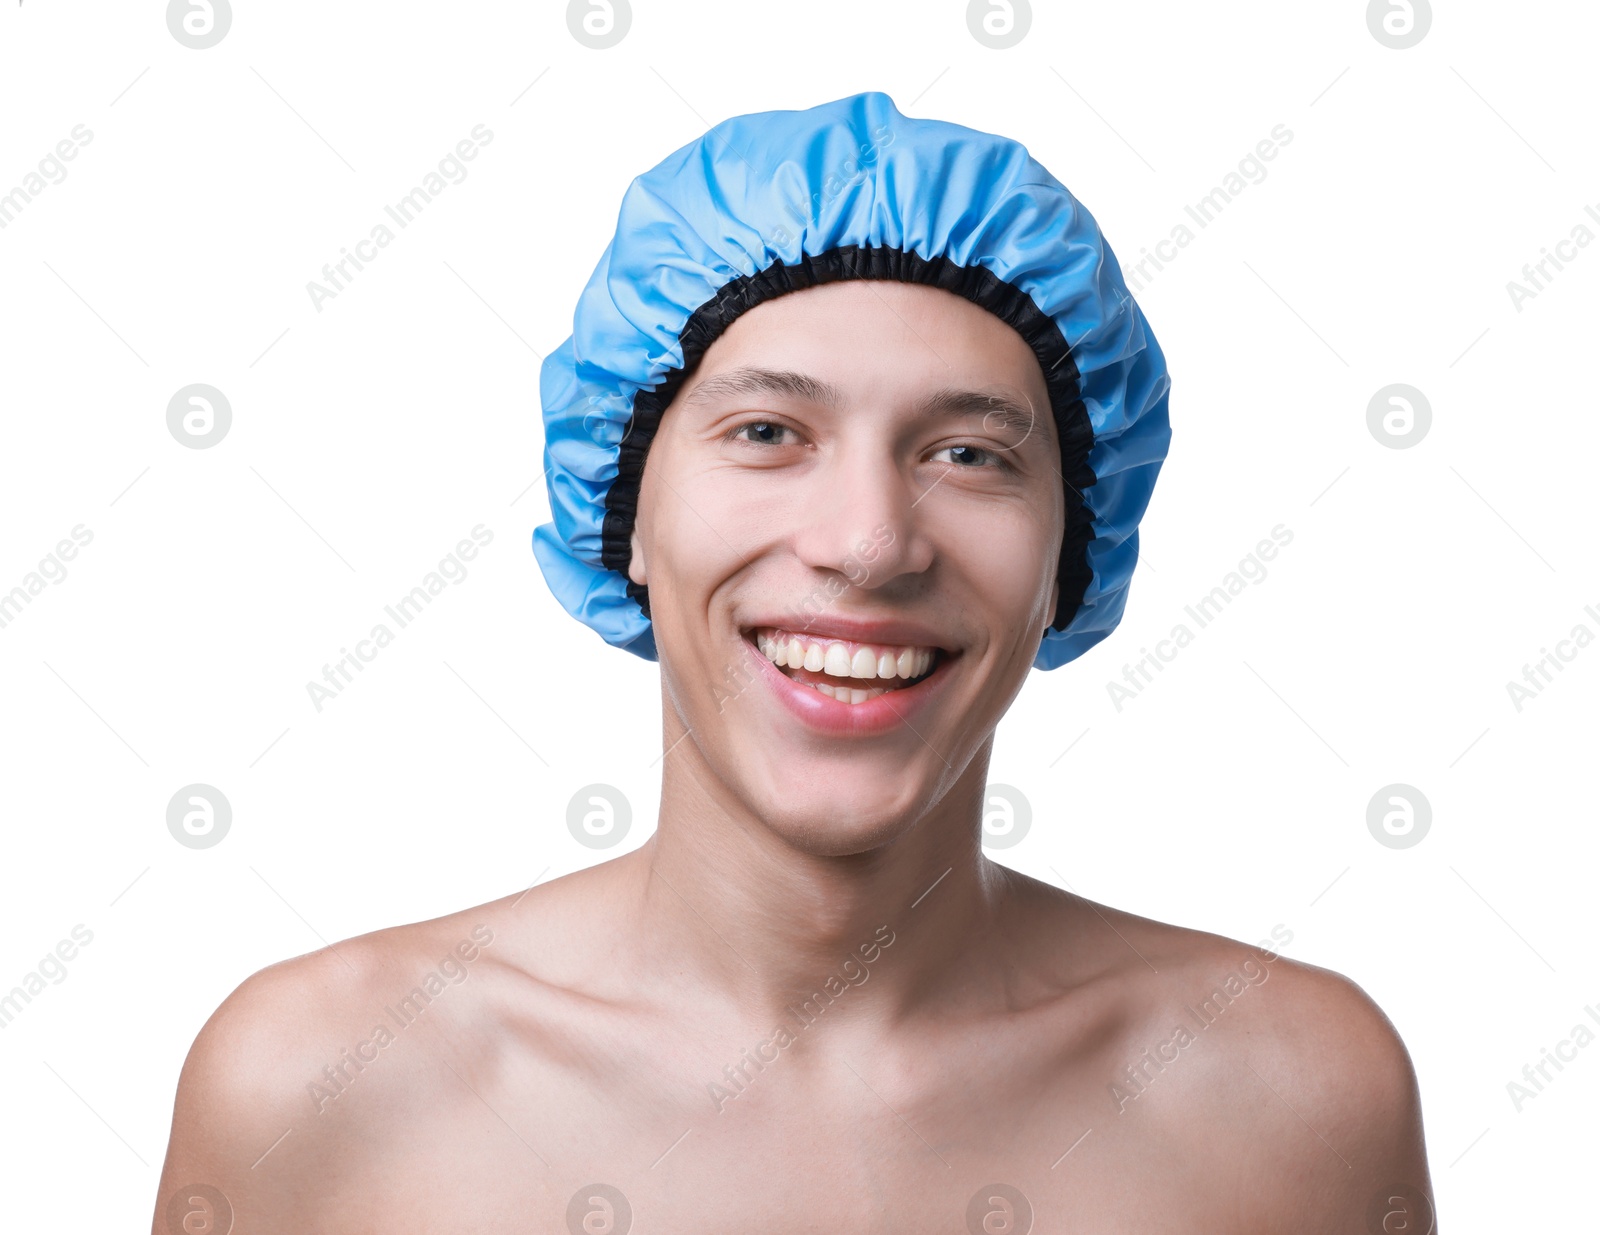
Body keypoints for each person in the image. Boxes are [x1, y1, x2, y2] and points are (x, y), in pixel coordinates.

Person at [152, 92, 1434, 1234]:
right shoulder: (319, 1083)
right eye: (768, 431)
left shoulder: (1294, 1094)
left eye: (970, 453)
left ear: (1069, 555)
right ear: (626, 516)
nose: (868, 543)